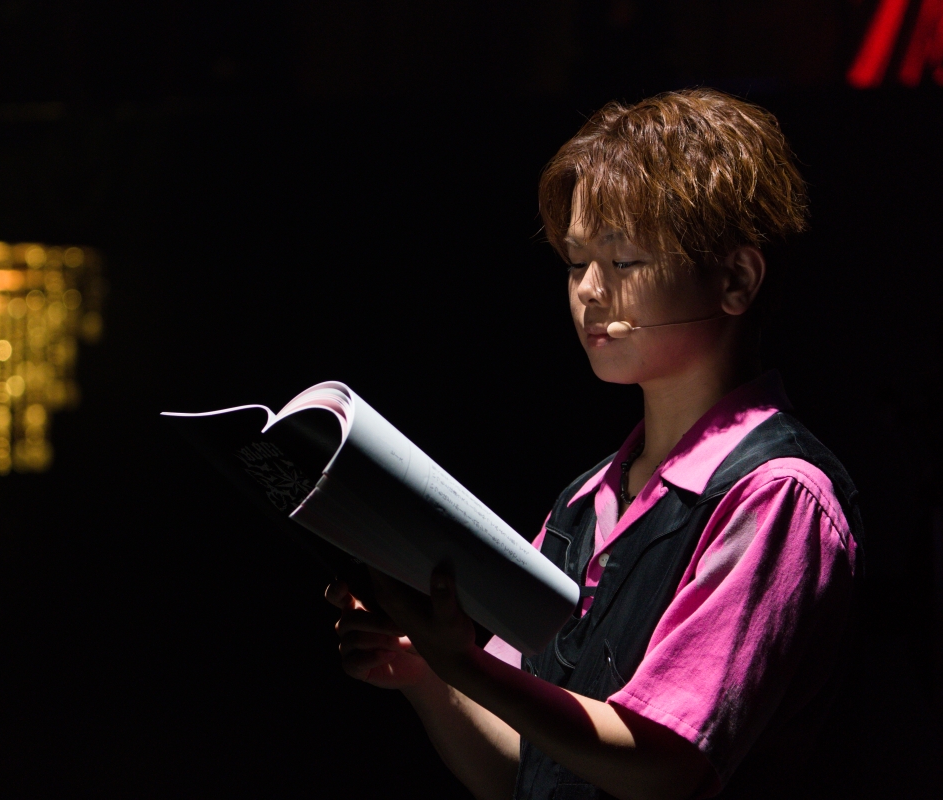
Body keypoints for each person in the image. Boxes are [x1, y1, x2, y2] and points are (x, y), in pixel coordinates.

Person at [325, 88, 863, 800]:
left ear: (736, 279)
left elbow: (669, 766)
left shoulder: (775, 494)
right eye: (577, 263)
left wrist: (467, 668)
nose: (590, 291)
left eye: (625, 261)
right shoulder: (583, 502)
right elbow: (522, 768)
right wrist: (429, 675)